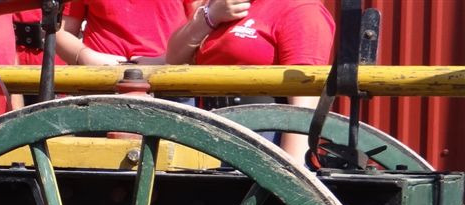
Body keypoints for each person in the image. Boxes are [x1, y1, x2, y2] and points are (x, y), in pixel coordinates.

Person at [166, 0, 335, 160]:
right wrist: (210, 17)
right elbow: (173, 58)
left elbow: (303, 108)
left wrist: (287, 176)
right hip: (206, 138)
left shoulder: (301, 9)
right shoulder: (222, 5)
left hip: (260, 144)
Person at [56, 1, 193, 66]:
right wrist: (84, 56)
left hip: (170, 82)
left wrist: (168, 59)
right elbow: (60, 31)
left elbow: (202, 26)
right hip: (100, 82)